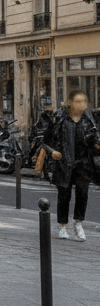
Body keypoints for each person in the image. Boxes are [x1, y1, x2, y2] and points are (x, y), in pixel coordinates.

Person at [41, 90, 100, 239]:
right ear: (70, 102)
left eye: (84, 101)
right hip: (64, 162)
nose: (82, 104)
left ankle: (78, 222)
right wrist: (52, 151)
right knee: (64, 195)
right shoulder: (59, 119)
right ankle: (62, 225)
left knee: (82, 193)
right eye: (78, 101)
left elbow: (95, 141)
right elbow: (45, 141)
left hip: (83, 163)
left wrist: (96, 144)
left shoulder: (89, 120)